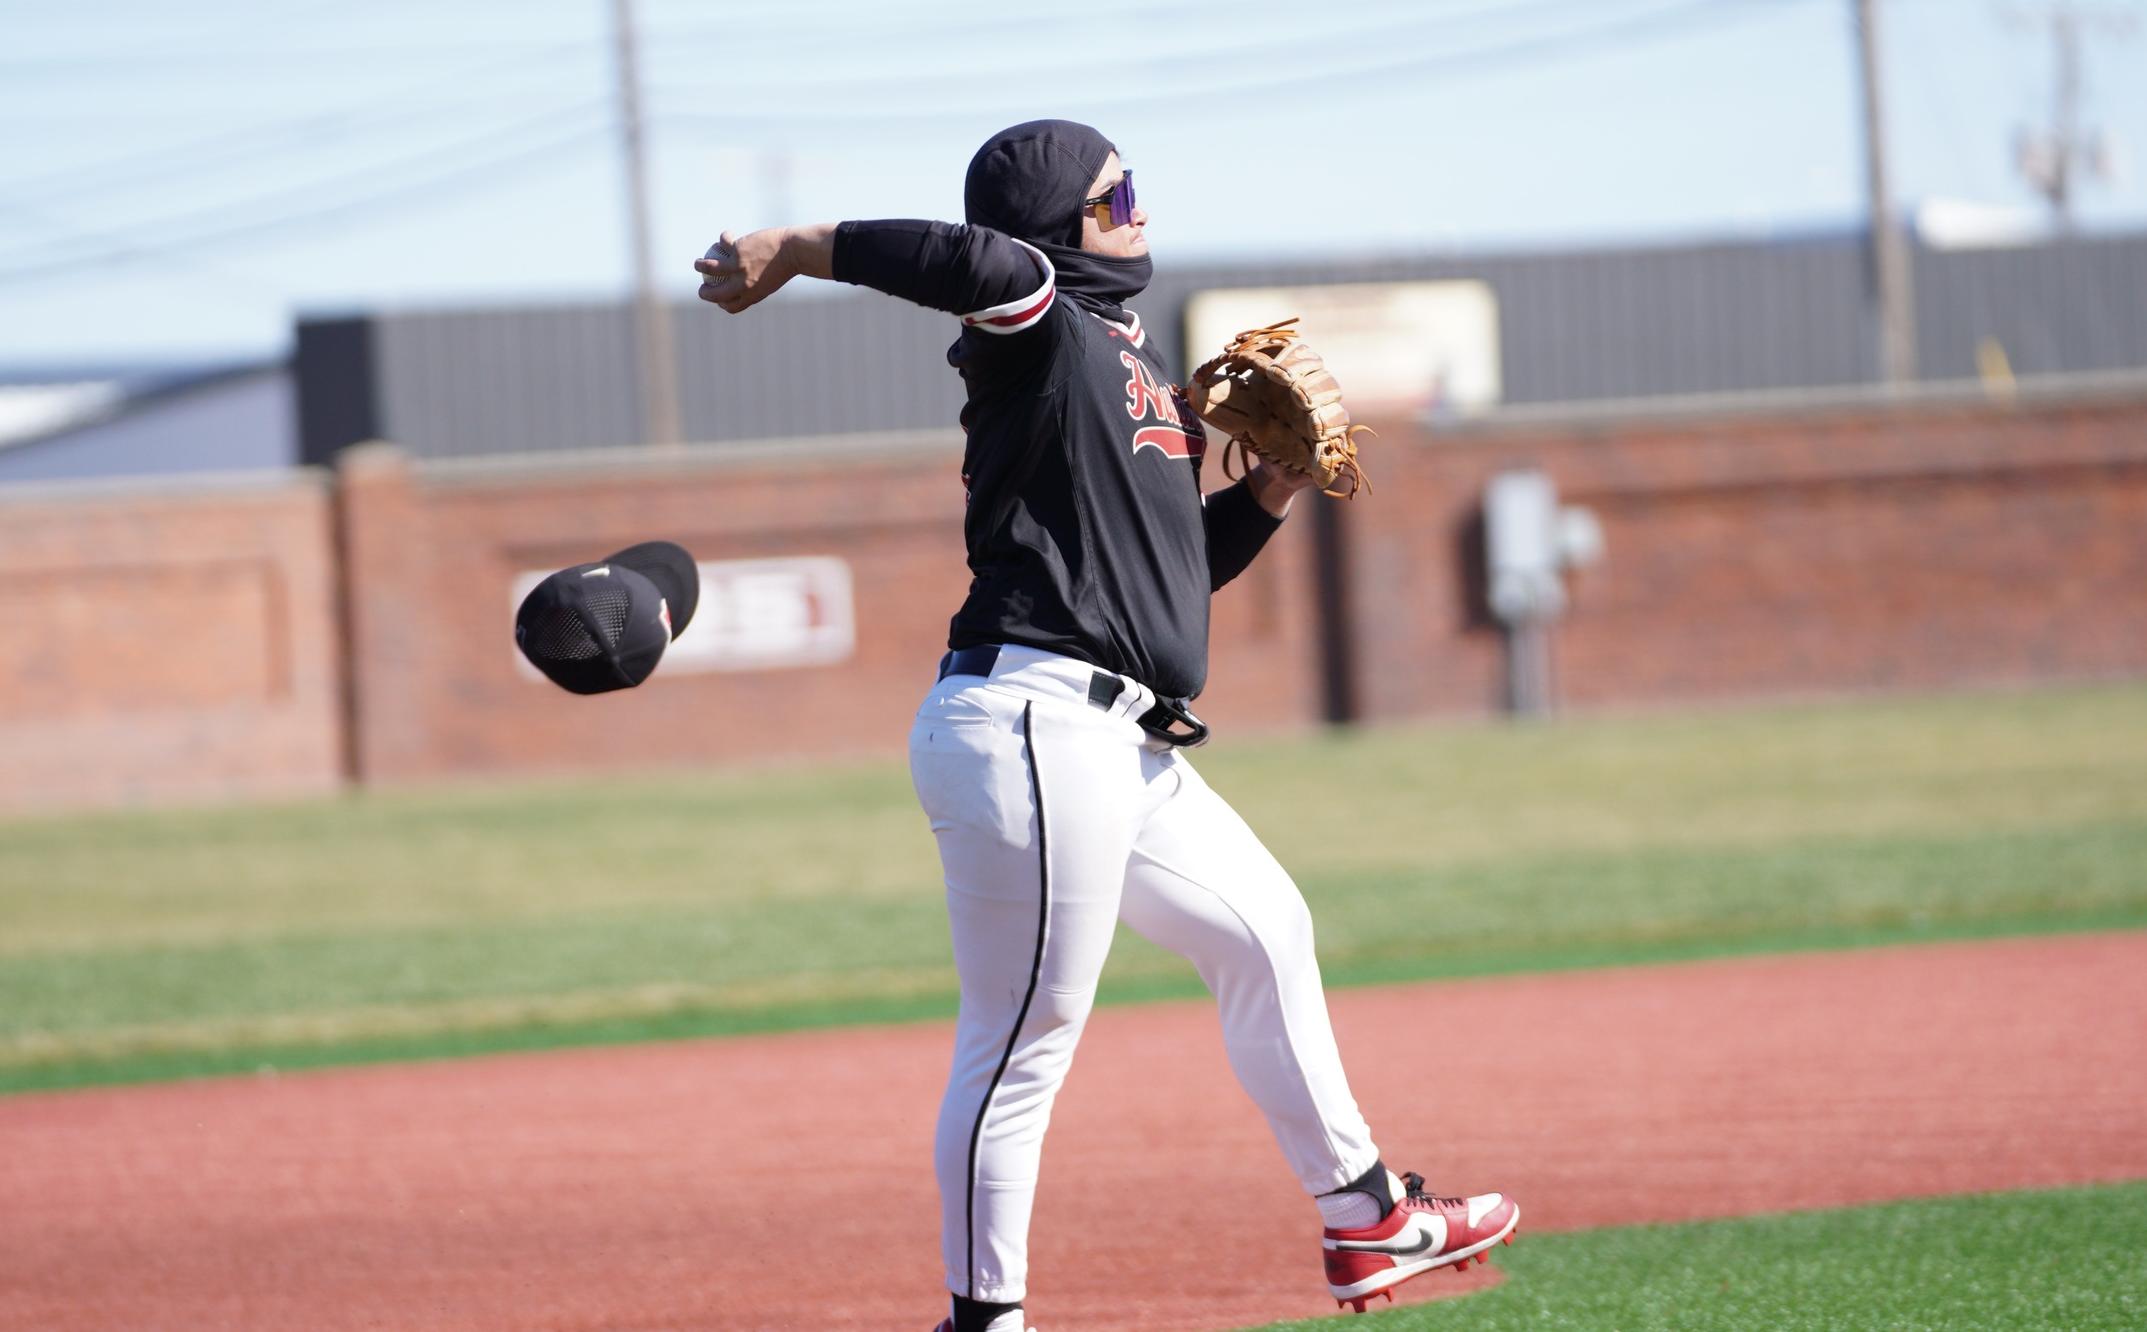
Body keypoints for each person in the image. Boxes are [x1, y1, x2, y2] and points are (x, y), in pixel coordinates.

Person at [694, 119, 1517, 1332]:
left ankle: (1364, 1216)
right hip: (1027, 720)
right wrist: (794, 247)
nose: (1135, 204)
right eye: (1111, 189)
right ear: (1051, 221)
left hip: (1115, 741)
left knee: (1263, 932)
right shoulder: (1037, 323)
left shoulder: (1133, 369)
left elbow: (1168, 585)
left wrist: (1270, 492)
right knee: (1022, 1040)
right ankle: (985, 1321)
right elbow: (972, 265)